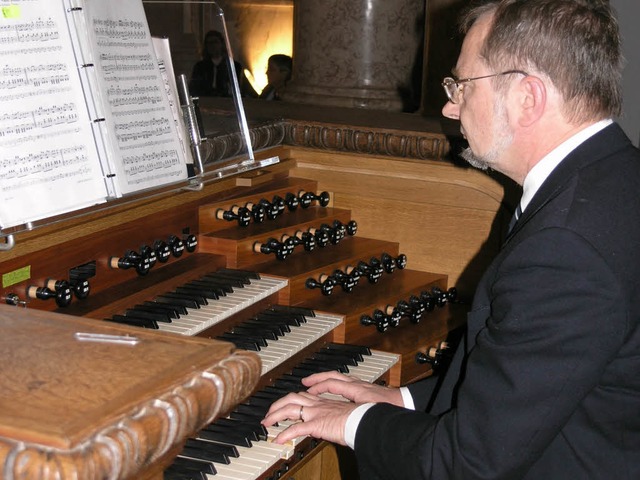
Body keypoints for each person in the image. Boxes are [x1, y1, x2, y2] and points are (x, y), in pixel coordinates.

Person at [262, 0, 640, 478]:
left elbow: (468, 463)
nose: (448, 105)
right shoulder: (611, 179)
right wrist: (398, 398)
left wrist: (354, 422)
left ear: (528, 97)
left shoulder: (566, 246)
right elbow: (539, 383)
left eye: (461, 85)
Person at [189, 30, 257, 98]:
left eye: (215, 42)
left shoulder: (234, 66)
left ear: (222, 44)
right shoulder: (200, 67)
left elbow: (242, 89)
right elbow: (194, 89)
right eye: (209, 43)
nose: (212, 46)